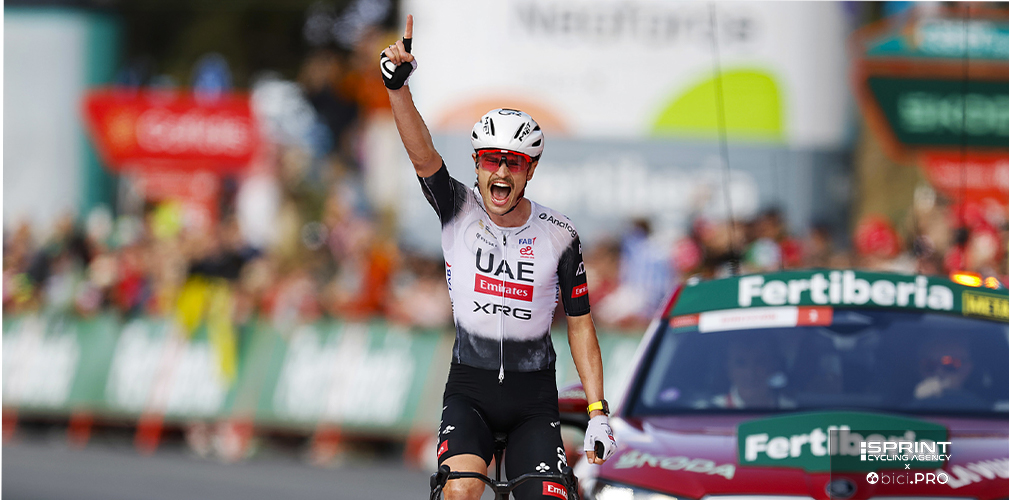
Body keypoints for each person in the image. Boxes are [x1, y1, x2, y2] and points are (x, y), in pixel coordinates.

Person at [381, 15, 616, 500]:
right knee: (461, 490)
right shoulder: (457, 209)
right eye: (492, 159)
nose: (502, 172)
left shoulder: (560, 234)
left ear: (531, 169)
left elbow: (580, 324)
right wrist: (398, 89)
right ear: (477, 163)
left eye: (515, 162)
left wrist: (598, 412)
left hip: (534, 401)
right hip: (470, 392)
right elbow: (423, 156)